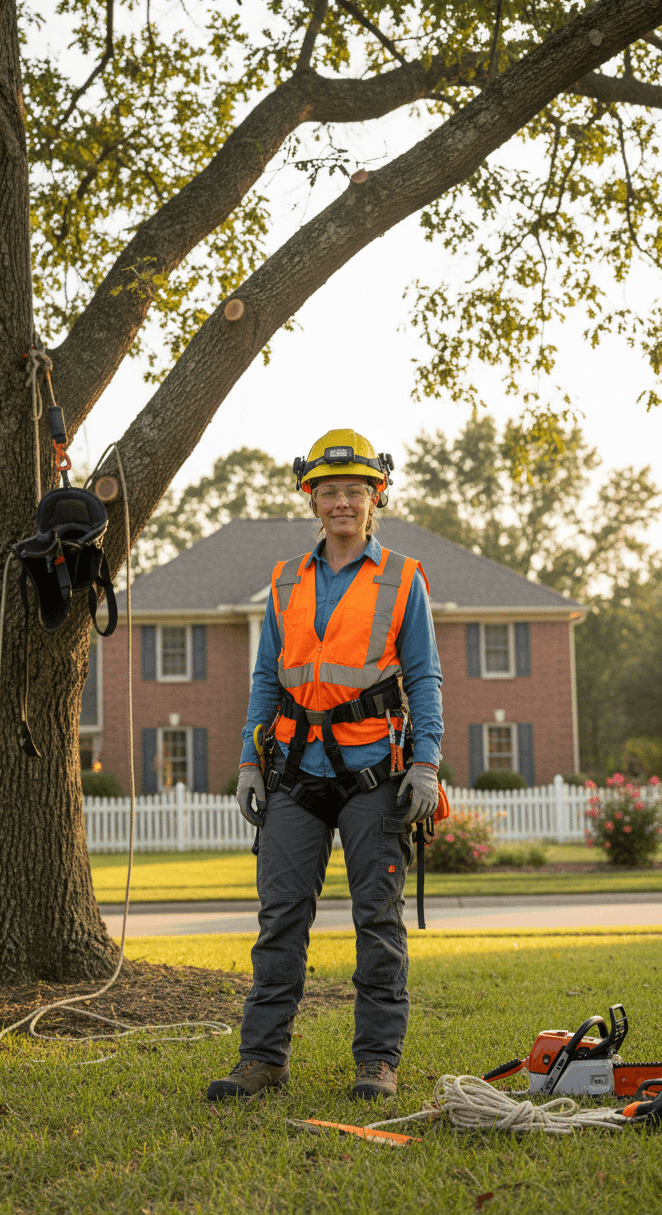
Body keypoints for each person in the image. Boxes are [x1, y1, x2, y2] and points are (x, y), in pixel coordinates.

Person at [207, 430, 443, 1102]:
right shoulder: (286, 579)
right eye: (329, 491)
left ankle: (377, 1062)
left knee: (378, 920)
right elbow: (266, 676)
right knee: (280, 919)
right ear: (311, 498)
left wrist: (425, 764)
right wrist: (250, 763)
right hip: (293, 773)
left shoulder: (403, 577)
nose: (342, 502)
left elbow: (424, 677)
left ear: (376, 498)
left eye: (355, 491)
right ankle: (262, 1060)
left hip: (376, 774)